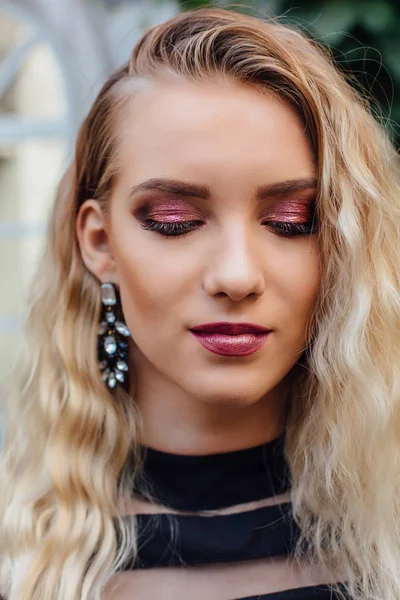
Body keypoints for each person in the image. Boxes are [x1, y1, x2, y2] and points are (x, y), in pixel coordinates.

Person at [1, 6, 400, 600]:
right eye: (175, 219)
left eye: (291, 220)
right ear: (100, 242)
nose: (236, 275)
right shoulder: (21, 562)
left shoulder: (385, 542)